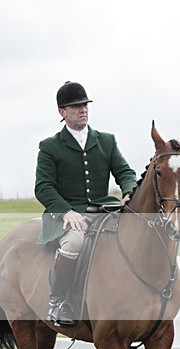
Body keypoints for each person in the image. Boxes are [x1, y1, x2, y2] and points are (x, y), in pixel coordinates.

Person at [35, 81, 137, 326]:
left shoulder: (106, 140)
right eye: (76, 106)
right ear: (63, 112)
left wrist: (129, 191)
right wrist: (66, 211)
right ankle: (58, 302)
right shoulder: (50, 147)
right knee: (74, 241)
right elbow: (43, 187)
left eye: (85, 105)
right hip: (69, 214)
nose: (83, 109)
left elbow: (125, 172)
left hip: (104, 208)